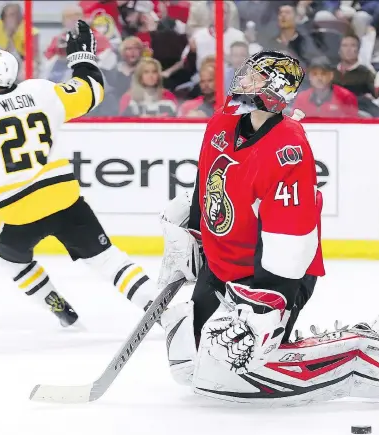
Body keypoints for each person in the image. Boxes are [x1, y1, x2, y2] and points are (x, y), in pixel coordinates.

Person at [155, 50, 379, 406]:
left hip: (270, 278)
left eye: (253, 76)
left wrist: (262, 309)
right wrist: (194, 234)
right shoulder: (222, 122)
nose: (241, 79)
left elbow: (290, 241)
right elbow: (207, 182)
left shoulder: (288, 147)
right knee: (189, 366)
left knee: (231, 378)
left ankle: (355, 356)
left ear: (273, 90)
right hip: (223, 266)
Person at [0, 21, 158, 328]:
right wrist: (81, 58)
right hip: (65, 200)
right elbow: (92, 90)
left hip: (16, 212)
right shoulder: (42, 91)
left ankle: (60, 309)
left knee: (10, 260)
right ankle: (164, 313)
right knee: (109, 260)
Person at [294, 56, 358, 118]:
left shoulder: (346, 97)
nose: (319, 78)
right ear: (309, 77)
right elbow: (294, 123)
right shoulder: (301, 98)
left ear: (331, 75)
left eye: (323, 73)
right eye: (315, 74)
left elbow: (352, 126)